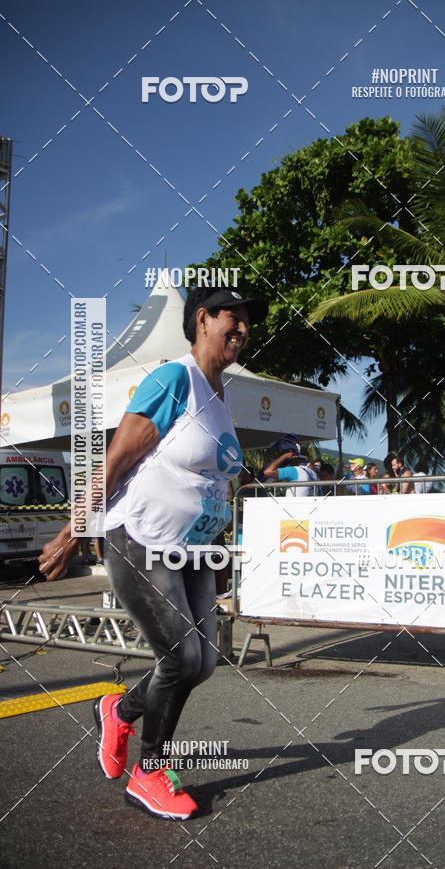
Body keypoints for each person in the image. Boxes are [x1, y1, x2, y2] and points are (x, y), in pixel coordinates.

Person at [39, 285, 267, 820]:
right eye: (231, 317)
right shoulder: (173, 381)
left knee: (204, 662)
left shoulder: (221, 395)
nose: (241, 328)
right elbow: (115, 460)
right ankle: (149, 773)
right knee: (181, 657)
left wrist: (220, 553)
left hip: (194, 549)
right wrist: (73, 531)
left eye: (247, 321)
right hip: (140, 537)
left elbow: (213, 484)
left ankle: (118, 710)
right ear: (202, 320)